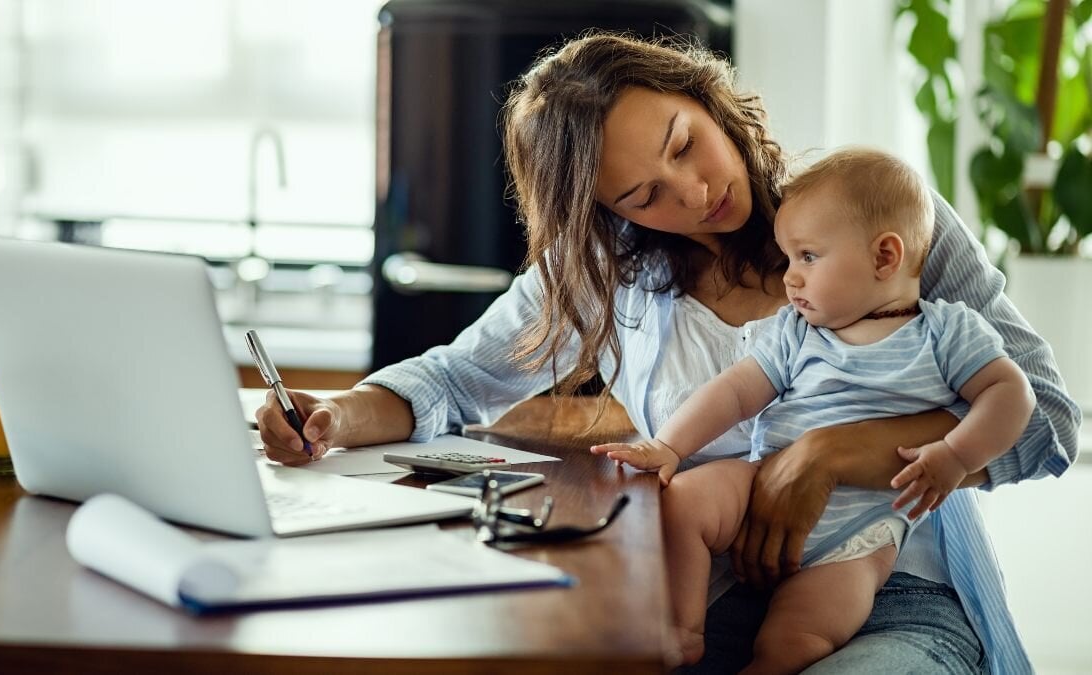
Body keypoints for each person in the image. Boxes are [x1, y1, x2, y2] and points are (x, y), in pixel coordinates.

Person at [256, 32, 1080, 673]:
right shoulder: (608, 270)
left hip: (896, 591)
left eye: (685, 144)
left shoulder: (875, 214)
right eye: (642, 195)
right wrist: (331, 415)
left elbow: (1047, 424)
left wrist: (826, 454)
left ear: (707, 97)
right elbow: (450, 379)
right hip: (711, 598)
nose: (692, 194)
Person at [589, 147, 1036, 673]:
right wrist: (669, 447)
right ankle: (683, 631)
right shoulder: (798, 332)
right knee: (684, 501)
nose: (790, 279)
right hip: (763, 485)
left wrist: (958, 455)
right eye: (788, 258)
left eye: (807, 257)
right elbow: (734, 392)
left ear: (884, 258)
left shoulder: (945, 333)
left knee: (794, 638)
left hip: (863, 534)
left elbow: (1014, 393)